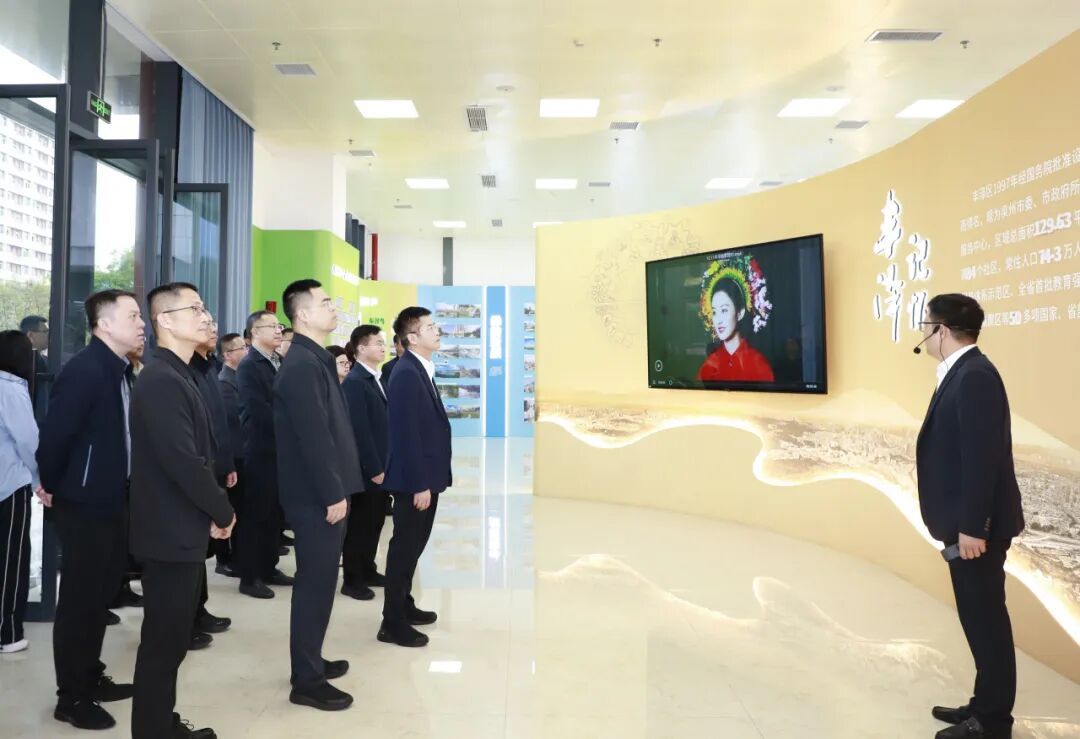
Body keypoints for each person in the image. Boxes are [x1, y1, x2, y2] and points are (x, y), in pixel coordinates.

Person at [916, 294, 1025, 739]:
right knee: (977, 621)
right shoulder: (963, 372)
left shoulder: (974, 375)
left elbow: (983, 459)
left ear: (941, 330)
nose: (924, 335)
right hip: (967, 526)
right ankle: (982, 706)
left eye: (926, 326)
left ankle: (993, 722)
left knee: (987, 624)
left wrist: (972, 528)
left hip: (977, 532)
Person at [129, 282, 235, 739]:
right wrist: (222, 510)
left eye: (204, 307)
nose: (205, 316)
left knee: (171, 640)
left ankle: (161, 723)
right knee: (163, 643)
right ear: (166, 321)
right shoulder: (160, 380)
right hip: (168, 531)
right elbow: (183, 461)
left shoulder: (181, 373)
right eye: (195, 308)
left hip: (181, 526)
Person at [37, 289, 143, 731]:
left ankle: (91, 675)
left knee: (99, 596)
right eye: (133, 316)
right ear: (104, 324)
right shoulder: (85, 370)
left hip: (112, 497)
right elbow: (55, 436)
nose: (142, 323)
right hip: (84, 503)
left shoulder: (118, 369)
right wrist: (52, 485)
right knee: (81, 602)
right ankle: (72, 697)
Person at [273, 279, 360, 711]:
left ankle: (311, 660)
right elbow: (313, 437)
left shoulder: (315, 359)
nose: (333, 307)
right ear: (303, 314)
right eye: (326, 302)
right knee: (314, 584)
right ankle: (306, 680)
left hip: (325, 490)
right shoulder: (303, 366)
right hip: (316, 496)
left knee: (322, 583)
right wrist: (332, 492)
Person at [379, 307, 451, 649]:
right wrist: (420, 484)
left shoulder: (420, 367)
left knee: (413, 547)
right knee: (404, 548)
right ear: (412, 337)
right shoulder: (407, 372)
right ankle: (392, 622)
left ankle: (403, 605)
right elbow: (405, 434)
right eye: (430, 326)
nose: (437, 330)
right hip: (414, 482)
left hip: (424, 477)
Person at [235, 311, 293, 599]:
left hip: (280, 450)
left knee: (274, 513)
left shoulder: (278, 360)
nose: (278, 330)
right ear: (255, 332)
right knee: (255, 515)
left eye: (279, 325)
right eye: (271, 326)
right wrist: (291, 426)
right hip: (260, 450)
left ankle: (269, 567)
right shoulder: (249, 365)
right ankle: (249, 576)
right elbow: (258, 410)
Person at [189, 320, 237, 645]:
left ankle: (198, 609)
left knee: (201, 548)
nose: (212, 329)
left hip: (214, 464)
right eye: (203, 323)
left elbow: (219, 424)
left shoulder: (209, 368)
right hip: (197, 469)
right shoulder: (184, 372)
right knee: (192, 547)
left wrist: (227, 463)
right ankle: (187, 617)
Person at [341, 325, 391, 601]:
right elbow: (359, 430)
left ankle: (368, 569)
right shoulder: (355, 381)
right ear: (361, 348)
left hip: (382, 465)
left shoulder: (375, 378)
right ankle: (353, 579)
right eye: (378, 343)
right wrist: (374, 468)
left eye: (383, 343)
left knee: (375, 522)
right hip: (367, 470)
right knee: (361, 525)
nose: (383, 347)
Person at [0, 330, 38, 654]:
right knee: (11, 558)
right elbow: (28, 440)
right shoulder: (11, 388)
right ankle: (8, 632)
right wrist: (41, 477)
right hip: (10, 485)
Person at [697, 276, 774, 382]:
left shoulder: (758, 364)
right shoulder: (710, 365)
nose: (718, 320)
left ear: (740, 313)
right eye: (714, 312)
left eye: (724, 310)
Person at [215, 333, 248, 576]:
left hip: (243, 453)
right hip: (235, 455)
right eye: (241, 348)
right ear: (228, 355)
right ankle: (225, 558)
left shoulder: (239, 378)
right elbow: (230, 426)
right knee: (232, 507)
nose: (246, 351)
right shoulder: (225, 383)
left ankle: (238, 555)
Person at [19, 315, 49, 414]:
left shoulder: (44, 360)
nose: (49, 335)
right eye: (45, 332)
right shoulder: (18, 363)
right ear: (30, 335)